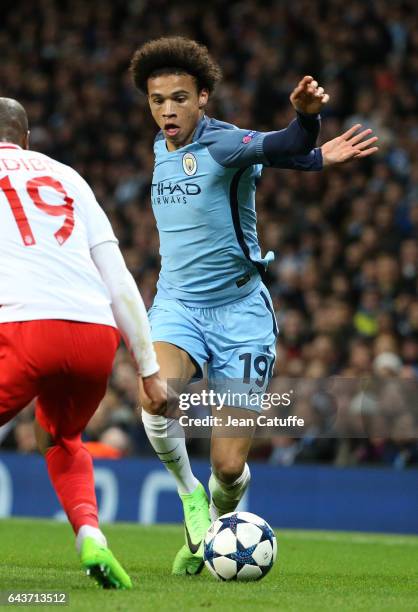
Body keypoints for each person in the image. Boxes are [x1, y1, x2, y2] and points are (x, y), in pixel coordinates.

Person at [129, 36, 378, 576]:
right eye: (156, 100)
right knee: (154, 397)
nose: (167, 110)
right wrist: (314, 158)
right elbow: (292, 157)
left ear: (203, 98)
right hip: (178, 305)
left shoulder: (222, 144)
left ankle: (213, 532)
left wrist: (306, 123)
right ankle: (189, 497)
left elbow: (281, 144)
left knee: (228, 464)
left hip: (241, 316)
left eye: (178, 98)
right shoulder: (158, 148)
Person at [0, 97, 166, 589]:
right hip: (94, 334)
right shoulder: (69, 178)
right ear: (27, 139)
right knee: (62, 436)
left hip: (24, 326)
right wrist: (149, 368)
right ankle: (91, 535)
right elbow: (117, 278)